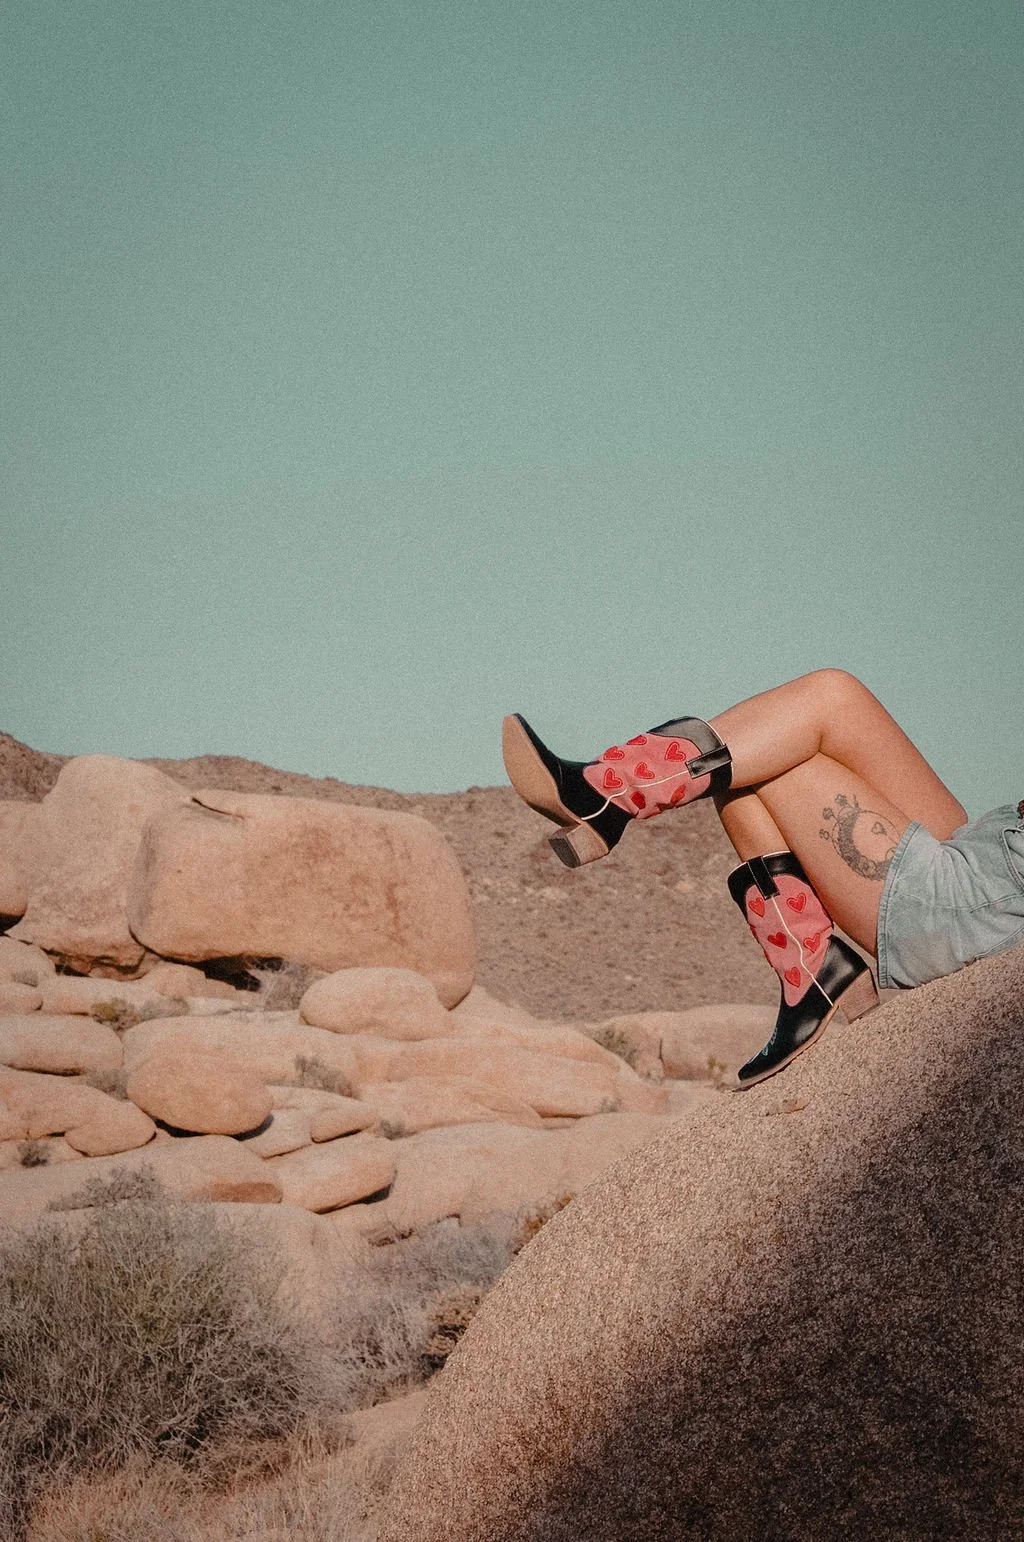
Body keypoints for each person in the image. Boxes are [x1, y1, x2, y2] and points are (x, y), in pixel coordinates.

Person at [502, 669, 1024, 1087]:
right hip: (988, 847)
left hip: (975, 905)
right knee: (833, 696)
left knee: (769, 760)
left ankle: (606, 794)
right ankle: (810, 968)